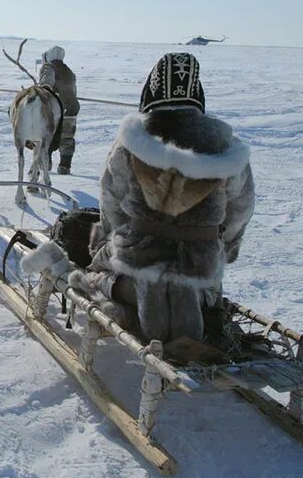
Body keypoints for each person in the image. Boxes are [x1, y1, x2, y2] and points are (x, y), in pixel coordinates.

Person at [81, 53, 254, 346]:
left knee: (93, 274)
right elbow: (240, 210)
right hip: (200, 278)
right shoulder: (227, 149)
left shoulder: (131, 142)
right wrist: (218, 252)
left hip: (135, 269)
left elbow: (111, 203)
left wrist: (113, 243)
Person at [38, 45, 80, 174]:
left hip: (55, 109)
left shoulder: (48, 67)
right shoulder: (69, 71)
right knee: (66, 138)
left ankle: (46, 164)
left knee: (48, 136)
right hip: (71, 109)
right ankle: (64, 166)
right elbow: (73, 91)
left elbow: (45, 85)